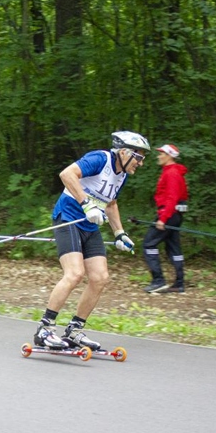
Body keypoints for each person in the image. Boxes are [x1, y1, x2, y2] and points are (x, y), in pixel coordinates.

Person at [32, 130, 150, 351]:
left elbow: (111, 203)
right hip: (67, 218)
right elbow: (67, 174)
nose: (141, 163)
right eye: (139, 157)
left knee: (100, 277)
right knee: (75, 274)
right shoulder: (100, 159)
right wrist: (86, 204)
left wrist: (120, 233)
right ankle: (45, 329)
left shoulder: (122, 175)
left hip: (90, 225)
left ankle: (74, 330)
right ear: (124, 152)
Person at [142, 144, 189, 293]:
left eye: (161, 153)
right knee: (173, 247)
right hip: (174, 214)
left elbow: (172, 198)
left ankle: (158, 281)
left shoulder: (172, 173)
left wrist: (163, 218)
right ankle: (179, 283)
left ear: (169, 156)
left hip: (168, 214)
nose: (158, 156)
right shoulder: (171, 172)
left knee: (149, 244)